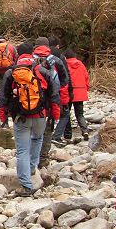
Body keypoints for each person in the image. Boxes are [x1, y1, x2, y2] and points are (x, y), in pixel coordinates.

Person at [0, 50, 60, 196]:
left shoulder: (10, 74)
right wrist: (55, 116)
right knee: (37, 139)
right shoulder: (42, 72)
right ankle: (32, 168)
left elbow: (3, 98)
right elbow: (54, 94)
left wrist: (3, 118)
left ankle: (26, 185)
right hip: (40, 116)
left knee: (22, 151)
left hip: (21, 117)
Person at [33, 37, 70, 165]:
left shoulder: (27, 59)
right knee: (48, 129)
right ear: (48, 47)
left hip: (31, 100)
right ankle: (42, 159)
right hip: (50, 100)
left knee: (31, 130)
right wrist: (62, 101)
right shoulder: (56, 60)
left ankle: (31, 158)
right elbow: (65, 81)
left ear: (35, 46)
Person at [64, 49, 90, 141]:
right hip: (80, 92)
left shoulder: (65, 65)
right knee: (79, 114)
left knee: (66, 114)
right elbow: (86, 77)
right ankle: (85, 131)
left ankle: (67, 134)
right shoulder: (80, 64)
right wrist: (86, 88)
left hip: (69, 92)